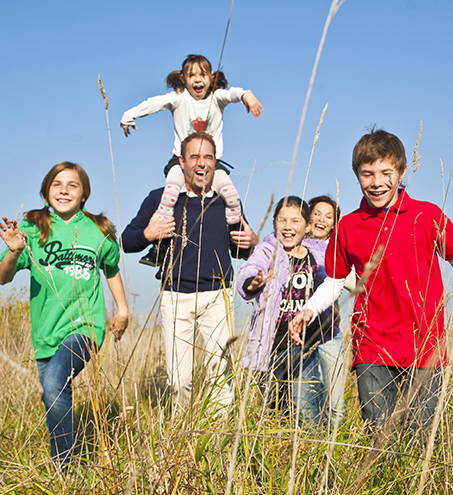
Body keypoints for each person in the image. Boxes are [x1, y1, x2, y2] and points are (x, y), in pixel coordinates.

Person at [290, 129, 453, 436]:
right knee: (378, 436)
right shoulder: (348, 226)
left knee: (420, 437)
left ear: (400, 171)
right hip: (372, 346)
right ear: (357, 175)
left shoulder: (426, 216)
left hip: (425, 345)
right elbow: (333, 282)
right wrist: (308, 309)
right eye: (367, 174)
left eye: (386, 172)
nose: (376, 182)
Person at [0, 161, 129, 467]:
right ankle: (64, 466)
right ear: (46, 192)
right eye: (57, 184)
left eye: (73, 185)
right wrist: (14, 251)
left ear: (84, 195)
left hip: (85, 327)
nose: (64, 190)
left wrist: (121, 308)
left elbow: (110, 270)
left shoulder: (99, 230)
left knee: (55, 382)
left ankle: (67, 467)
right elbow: (2, 277)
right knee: (52, 394)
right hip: (45, 331)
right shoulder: (30, 229)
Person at [121, 132, 257, 414]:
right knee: (180, 380)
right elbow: (126, 241)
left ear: (215, 163)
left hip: (218, 295)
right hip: (175, 296)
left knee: (220, 376)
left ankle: (217, 442)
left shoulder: (226, 201)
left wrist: (250, 242)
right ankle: (182, 438)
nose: (201, 163)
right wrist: (148, 233)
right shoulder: (160, 199)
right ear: (182, 162)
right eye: (194, 156)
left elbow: (240, 249)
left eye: (208, 157)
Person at [120, 54, 263, 266]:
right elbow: (154, 103)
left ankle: (237, 241)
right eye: (191, 75)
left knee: (231, 196)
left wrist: (248, 96)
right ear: (183, 78)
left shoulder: (217, 97)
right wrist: (128, 116)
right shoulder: (179, 98)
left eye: (203, 75)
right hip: (180, 162)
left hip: (214, 164)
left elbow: (235, 93)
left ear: (211, 77)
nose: (197, 80)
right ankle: (159, 247)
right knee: (170, 195)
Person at [237, 196, 339, 427]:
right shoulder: (267, 250)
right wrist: (253, 282)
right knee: (273, 404)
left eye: (295, 220)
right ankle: (275, 447)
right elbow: (250, 269)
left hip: (306, 343)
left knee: (304, 401)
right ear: (274, 223)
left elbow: (330, 281)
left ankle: (310, 446)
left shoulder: (318, 253)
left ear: (308, 226)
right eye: (282, 220)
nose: (288, 226)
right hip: (273, 343)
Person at [306, 195, 346, 429]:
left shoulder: (338, 250)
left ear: (334, 225)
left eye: (328, 217)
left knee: (334, 397)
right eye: (317, 213)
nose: (322, 219)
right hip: (300, 335)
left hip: (330, 331)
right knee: (307, 396)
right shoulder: (294, 247)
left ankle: (333, 445)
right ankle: (310, 443)